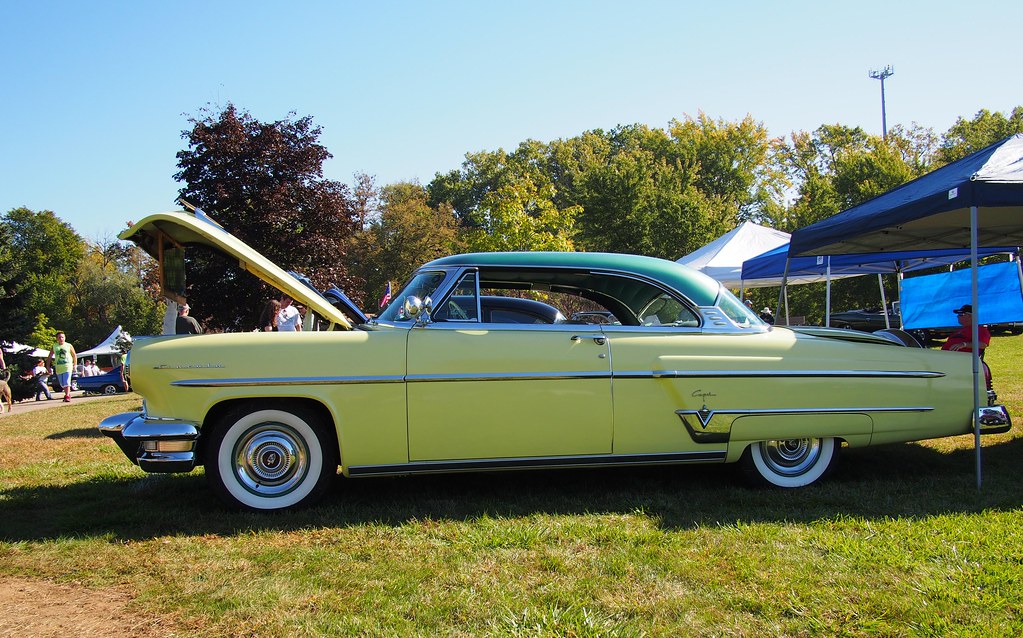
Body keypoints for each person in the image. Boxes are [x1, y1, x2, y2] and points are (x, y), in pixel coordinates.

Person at [46, 331, 77, 402]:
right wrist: (48, 366)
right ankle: (67, 393)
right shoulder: (55, 346)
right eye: (59, 337)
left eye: (62, 337)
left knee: (66, 382)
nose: (61, 339)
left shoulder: (68, 345)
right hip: (59, 367)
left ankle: (67, 395)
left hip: (67, 366)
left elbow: (74, 355)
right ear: (57, 339)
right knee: (62, 384)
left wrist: (75, 364)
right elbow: (50, 357)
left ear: (65, 338)